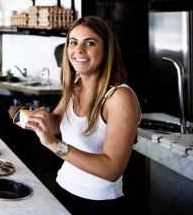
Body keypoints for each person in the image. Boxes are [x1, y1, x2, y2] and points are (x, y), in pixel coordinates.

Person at [9, 16, 140, 214]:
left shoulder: (119, 97)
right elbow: (56, 124)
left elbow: (111, 170)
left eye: (90, 43)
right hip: (63, 190)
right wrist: (24, 117)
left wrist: (52, 144)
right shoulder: (77, 85)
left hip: (99, 205)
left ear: (106, 50)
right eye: (73, 42)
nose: (79, 50)